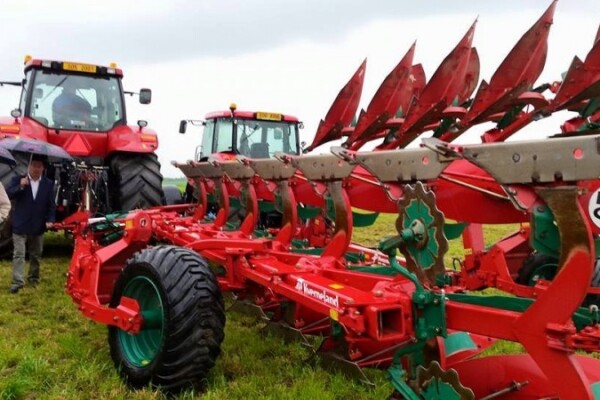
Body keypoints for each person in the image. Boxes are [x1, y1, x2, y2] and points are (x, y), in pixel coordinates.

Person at [6, 155, 56, 294]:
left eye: (39, 166)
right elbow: (8, 194)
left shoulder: (48, 184)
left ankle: (33, 278)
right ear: (29, 166)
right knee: (19, 254)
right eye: (34, 165)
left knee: (36, 254)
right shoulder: (18, 179)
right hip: (20, 224)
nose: (36, 168)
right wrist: (20, 186)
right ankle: (17, 282)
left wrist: (50, 219)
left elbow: (51, 205)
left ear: (43, 168)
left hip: (37, 225)